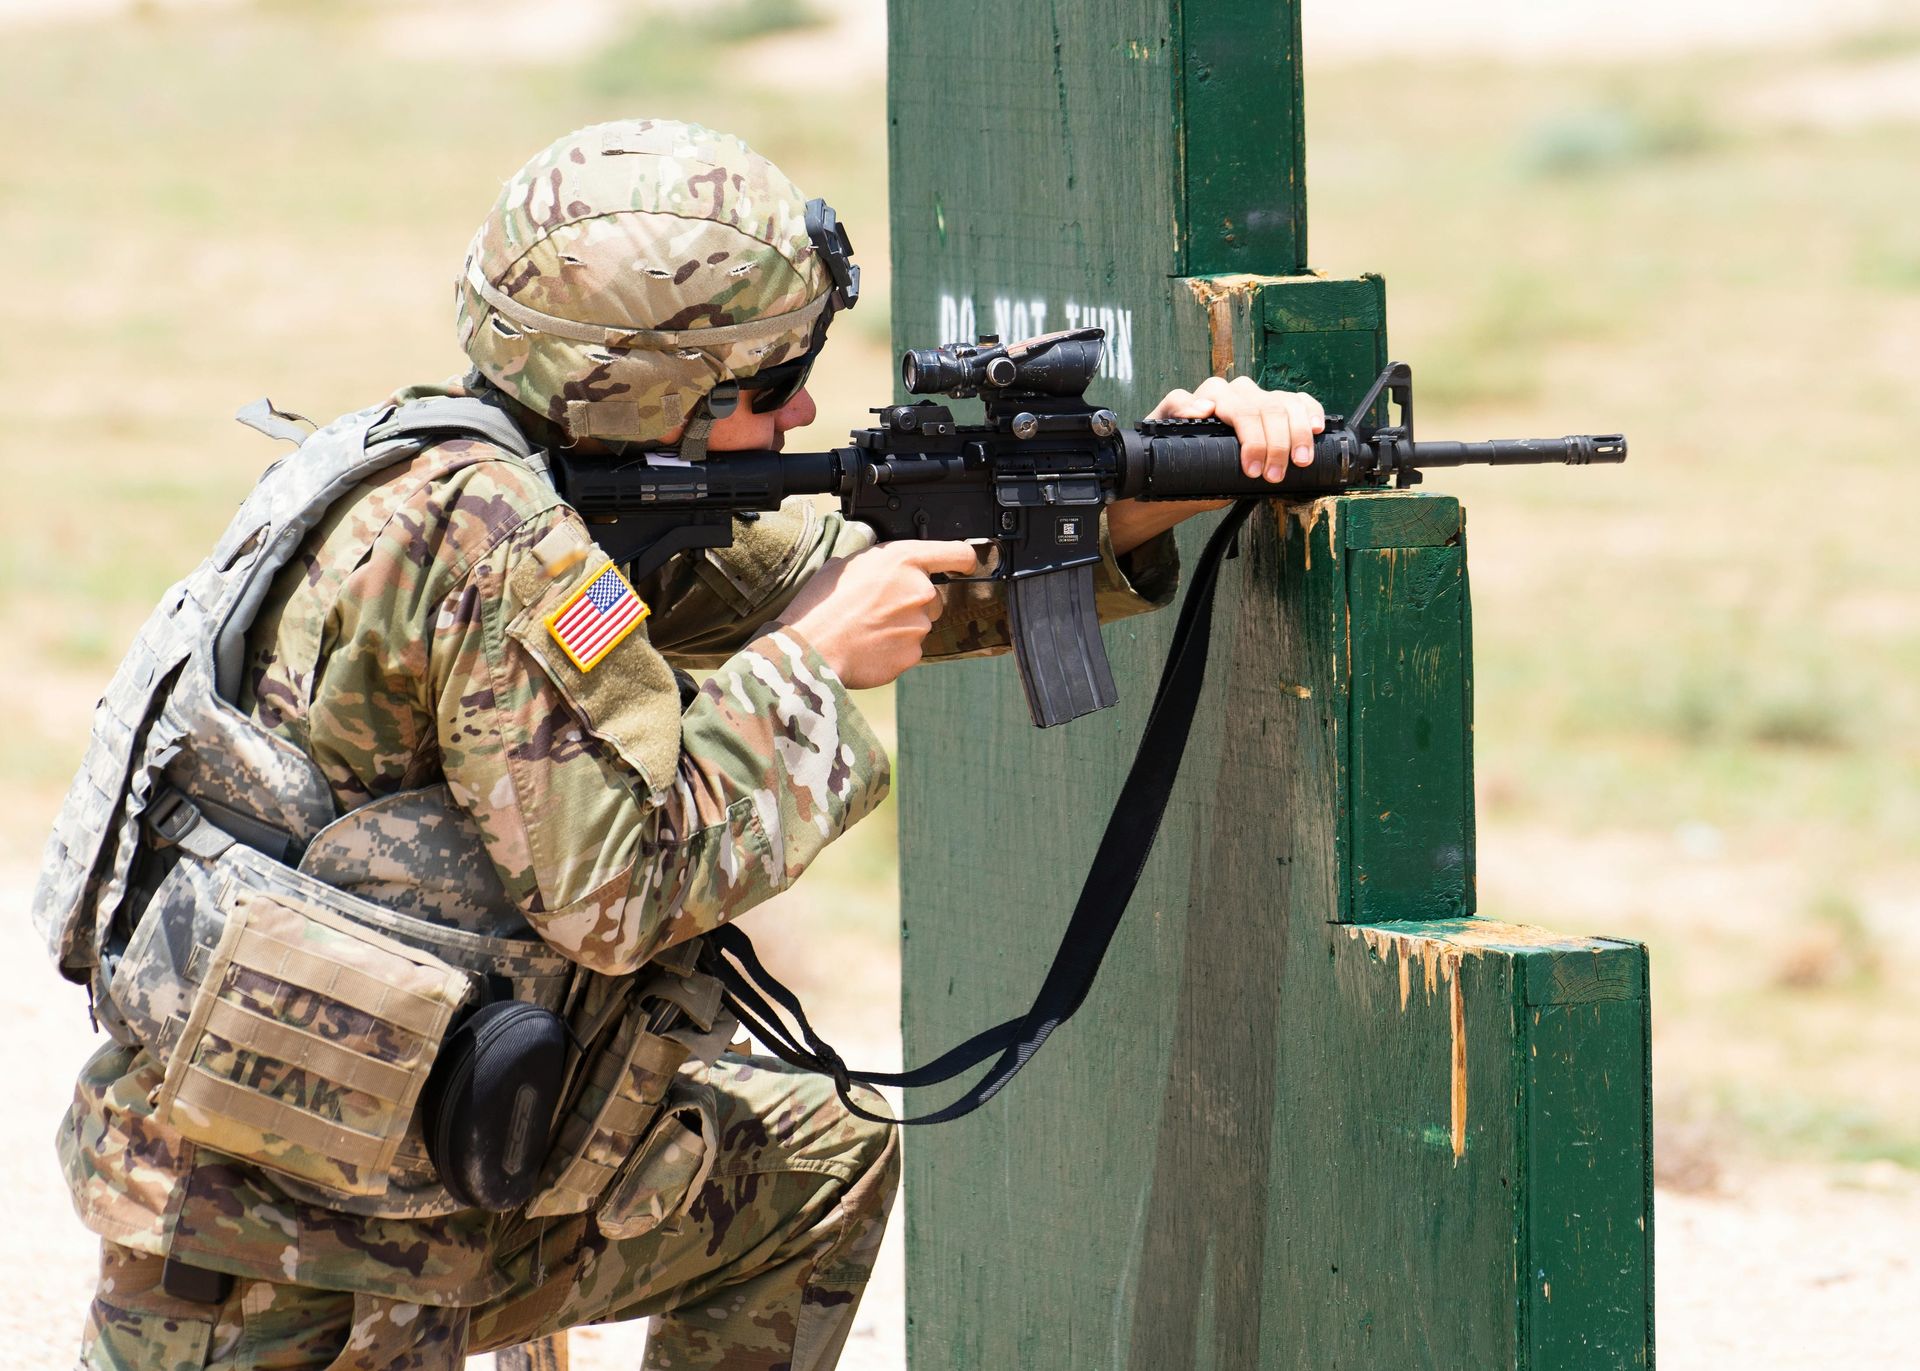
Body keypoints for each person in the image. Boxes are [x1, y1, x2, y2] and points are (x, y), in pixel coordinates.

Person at [39, 118, 1325, 1370]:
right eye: (769, 385)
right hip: (288, 1256)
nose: (804, 405)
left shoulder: (473, 473)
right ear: (660, 388)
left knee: (817, 1156)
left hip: (383, 1157)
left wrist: (1149, 483)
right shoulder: (506, 550)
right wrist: (811, 673)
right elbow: (621, 894)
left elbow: (852, 569)